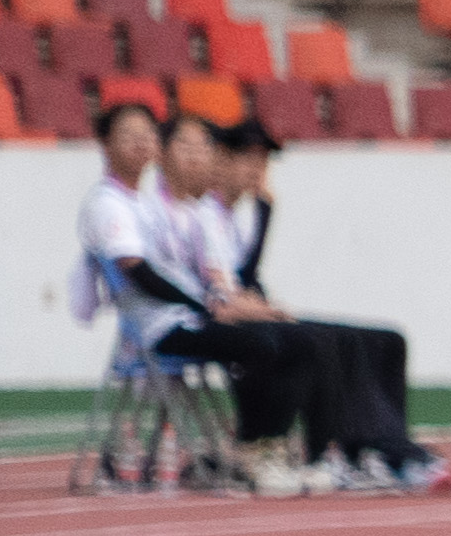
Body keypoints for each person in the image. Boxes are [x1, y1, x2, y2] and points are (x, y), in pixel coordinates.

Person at [171, 110, 451, 492]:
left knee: (387, 340)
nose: (258, 168)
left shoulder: (235, 218)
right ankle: (333, 454)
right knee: (318, 341)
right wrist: (265, 307)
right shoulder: (205, 216)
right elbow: (224, 293)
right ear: (222, 161)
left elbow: (248, 277)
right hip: (218, 321)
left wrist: (266, 215)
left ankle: (389, 445)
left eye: (264, 160)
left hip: (246, 313)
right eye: (248, 158)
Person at [76, 99, 324, 493]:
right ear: (106, 144)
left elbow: (212, 275)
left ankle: (266, 448)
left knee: (296, 339)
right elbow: (139, 274)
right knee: (264, 344)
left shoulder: (156, 206)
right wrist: (207, 307)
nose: (140, 144)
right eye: (128, 136)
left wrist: (230, 304)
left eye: (146, 136)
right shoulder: (111, 204)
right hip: (159, 327)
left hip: (192, 316)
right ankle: (253, 451)